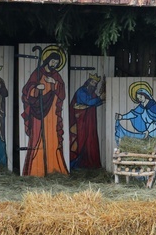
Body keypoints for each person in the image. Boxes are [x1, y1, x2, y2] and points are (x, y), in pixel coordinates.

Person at [21, 46, 68, 176]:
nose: (54, 64)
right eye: (53, 61)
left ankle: (54, 168)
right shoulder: (38, 73)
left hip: (52, 113)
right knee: (37, 137)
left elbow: (62, 93)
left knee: (52, 138)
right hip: (38, 112)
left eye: (57, 63)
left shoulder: (56, 75)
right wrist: (36, 88)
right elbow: (26, 91)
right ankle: (35, 170)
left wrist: (54, 83)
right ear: (48, 60)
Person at [115, 81, 156, 177]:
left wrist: (148, 130)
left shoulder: (152, 106)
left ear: (145, 95)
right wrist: (122, 117)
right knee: (148, 155)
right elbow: (133, 113)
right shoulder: (142, 106)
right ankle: (146, 176)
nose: (139, 99)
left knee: (154, 155)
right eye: (138, 98)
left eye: (140, 97)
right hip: (149, 134)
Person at [69, 73, 105, 170]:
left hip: (89, 121)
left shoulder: (91, 93)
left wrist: (101, 100)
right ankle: (73, 164)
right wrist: (99, 98)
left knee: (89, 141)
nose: (94, 85)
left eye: (95, 83)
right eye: (93, 82)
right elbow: (88, 102)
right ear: (88, 82)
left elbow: (93, 104)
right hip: (80, 121)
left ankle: (86, 164)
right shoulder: (81, 91)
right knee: (80, 140)